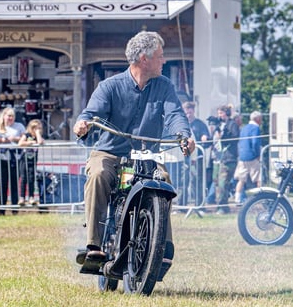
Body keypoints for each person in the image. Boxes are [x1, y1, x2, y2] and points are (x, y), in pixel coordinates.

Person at [73, 31, 195, 276]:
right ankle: (94, 245)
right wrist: (82, 124)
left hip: (146, 155)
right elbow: (90, 114)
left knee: (164, 181)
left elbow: (174, 116)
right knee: (97, 175)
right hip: (110, 152)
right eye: (160, 57)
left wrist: (184, 136)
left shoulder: (164, 86)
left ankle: (162, 246)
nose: (164, 61)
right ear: (144, 59)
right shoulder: (109, 86)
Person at [0, 107, 25, 215]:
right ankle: (2, 209)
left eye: (12, 116)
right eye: (9, 116)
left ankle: (14, 209)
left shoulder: (19, 126)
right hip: (1, 159)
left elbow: (26, 137)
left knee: (14, 185)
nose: (10, 118)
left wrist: (15, 139)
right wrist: (2, 140)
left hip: (15, 159)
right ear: (3, 116)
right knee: (2, 185)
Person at [211, 105, 240, 213]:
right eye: (218, 113)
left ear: (227, 113)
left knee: (223, 183)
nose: (219, 115)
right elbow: (213, 139)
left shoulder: (232, 124)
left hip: (229, 158)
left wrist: (223, 136)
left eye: (221, 113)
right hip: (218, 158)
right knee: (217, 183)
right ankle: (223, 206)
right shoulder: (219, 125)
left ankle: (221, 207)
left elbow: (235, 138)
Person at [234, 110, 263, 205]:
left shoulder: (244, 128)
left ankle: (237, 199)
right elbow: (255, 142)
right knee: (258, 178)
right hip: (252, 157)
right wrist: (257, 154)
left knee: (241, 179)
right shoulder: (256, 128)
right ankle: (261, 197)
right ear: (258, 119)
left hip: (242, 157)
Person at [18, 119, 45, 205]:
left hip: (33, 161)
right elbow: (20, 143)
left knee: (31, 178)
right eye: (34, 128)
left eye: (38, 128)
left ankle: (31, 197)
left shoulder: (38, 137)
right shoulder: (27, 135)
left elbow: (41, 142)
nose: (36, 130)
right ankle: (22, 197)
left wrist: (37, 134)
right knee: (23, 178)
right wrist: (29, 142)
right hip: (24, 160)